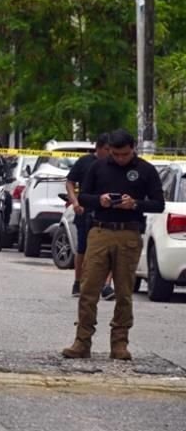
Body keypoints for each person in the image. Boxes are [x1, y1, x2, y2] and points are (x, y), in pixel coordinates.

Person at [62, 128, 164, 361]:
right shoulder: (98, 167)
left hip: (129, 233)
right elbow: (83, 197)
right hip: (100, 230)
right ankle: (82, 341)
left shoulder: (145, 170)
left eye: (124, 154)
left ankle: (119, 343)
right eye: (115, 154)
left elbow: (158, 204)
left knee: (124, 292)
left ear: (133, 149)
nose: (120, 159)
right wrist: (100, 200)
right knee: (89, 289)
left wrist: (135, 204)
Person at [65, 133, 115, 299]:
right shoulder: (85, 162)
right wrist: (75, 202)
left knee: (109, 249)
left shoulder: (115, 164)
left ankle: (106, 285)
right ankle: (78, 281)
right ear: (98, 148)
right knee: (83, 248)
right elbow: (70, 182)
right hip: (85, 211)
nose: (110, 153)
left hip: (107, 212)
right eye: (107, 149)